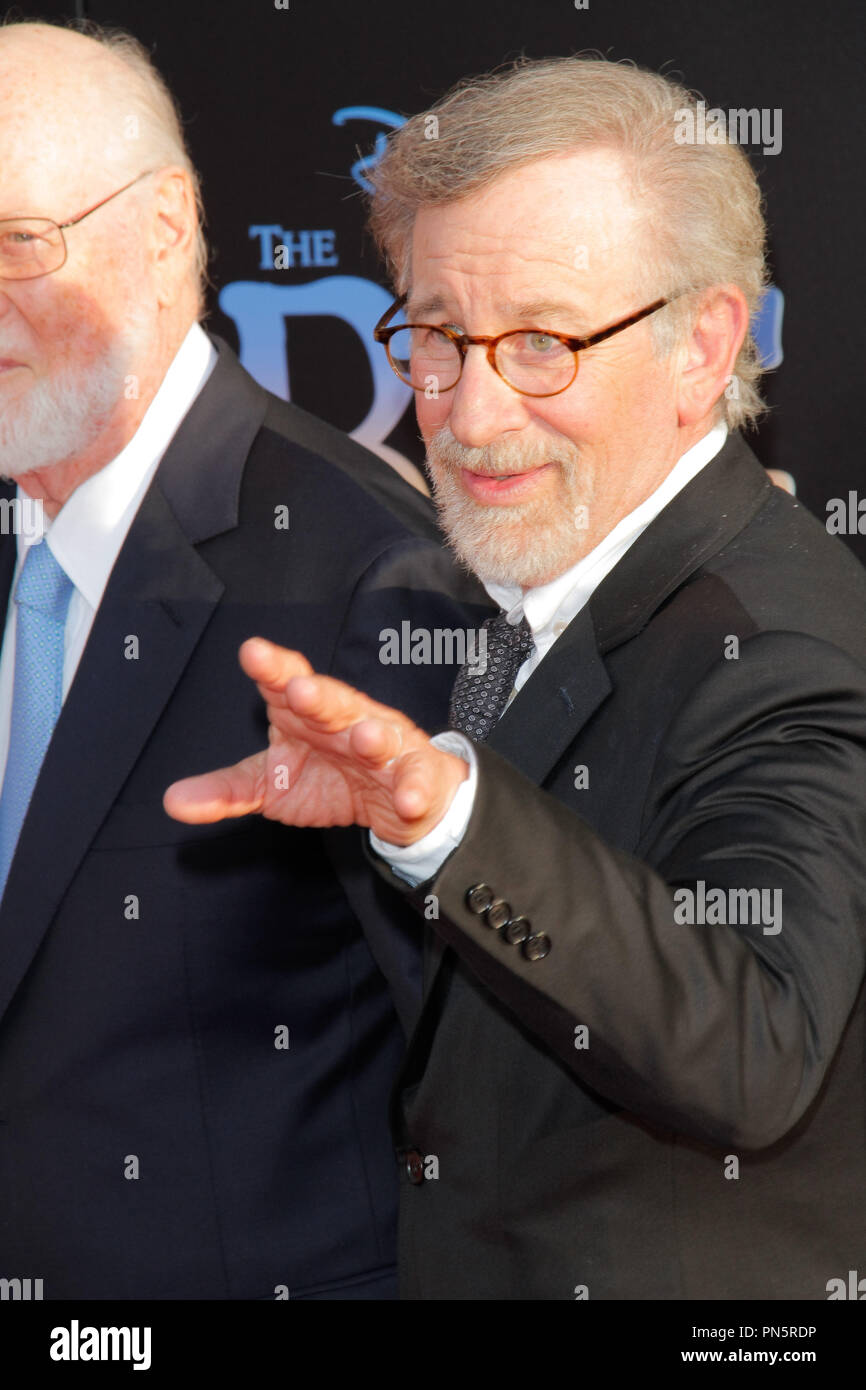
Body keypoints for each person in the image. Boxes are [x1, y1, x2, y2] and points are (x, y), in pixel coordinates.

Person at [166, 56, 866, 1300]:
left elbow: (755, 1040)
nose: (470, 415)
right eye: (437, 337)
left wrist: (453, 818)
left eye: (543, 342)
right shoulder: (549, 576)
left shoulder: (781, 645)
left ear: (703, 340)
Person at [0, 19, 487, 1300]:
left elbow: (484, 1086)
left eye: (14, 243)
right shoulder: (16, 527)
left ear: (166, 230)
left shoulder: (367, 568)